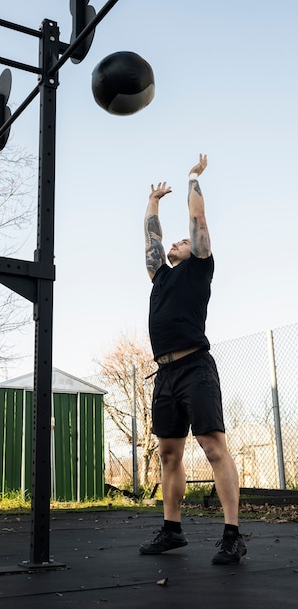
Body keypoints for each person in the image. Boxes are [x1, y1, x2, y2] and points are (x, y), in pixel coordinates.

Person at [139, 154, 246, 565]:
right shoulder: (160, 274)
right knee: (169, 453)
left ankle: (233, 534)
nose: (176, 243)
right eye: (175, 244)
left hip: (195, 367)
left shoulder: (200, 265)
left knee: (212, 446)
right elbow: (150, 240)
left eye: (181, 241)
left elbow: (197, 220)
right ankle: (172, 530)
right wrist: (152, 202)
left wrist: (191, 179)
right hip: (164, 373)